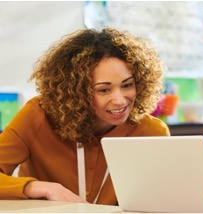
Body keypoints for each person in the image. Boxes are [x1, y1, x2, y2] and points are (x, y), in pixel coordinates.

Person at [0, 27, 170, 205]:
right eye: (103, 90)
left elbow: (167, 199)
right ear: (76, 92)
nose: (120, 100)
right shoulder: (38, 116)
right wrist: (41, 188)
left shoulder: (151, 132)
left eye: (127, 85)